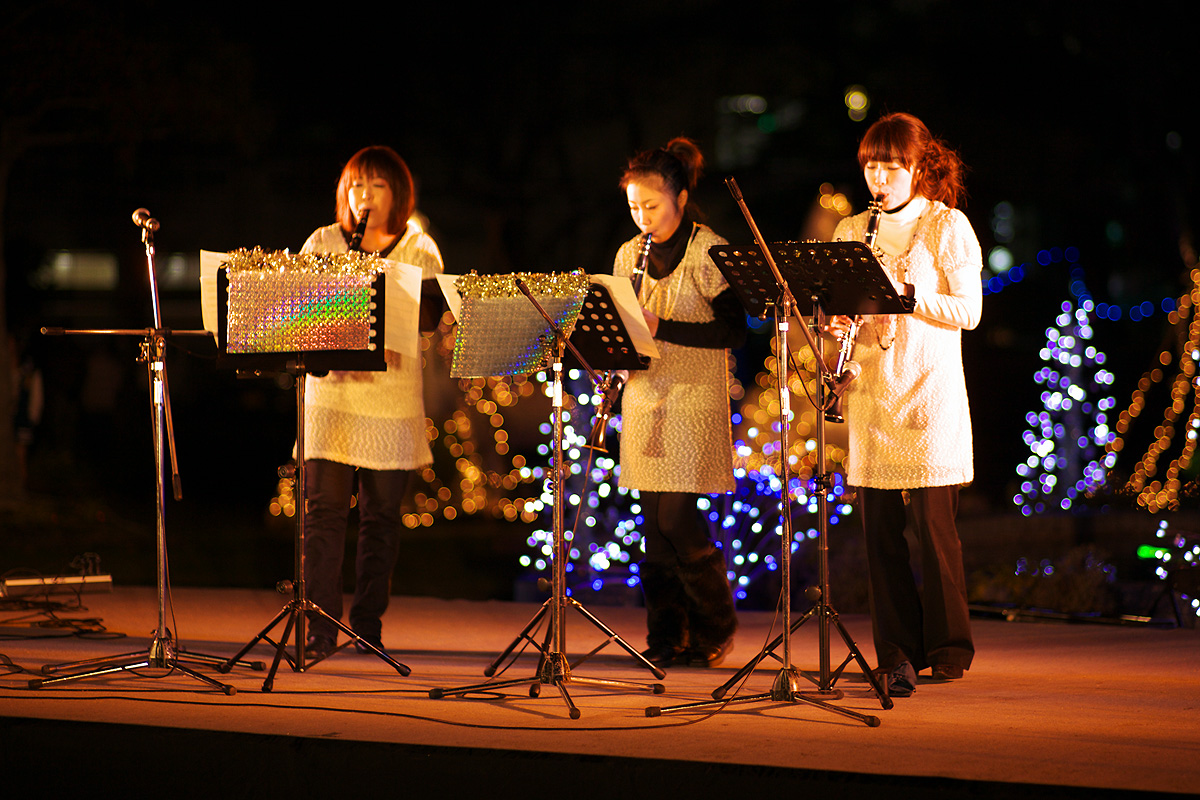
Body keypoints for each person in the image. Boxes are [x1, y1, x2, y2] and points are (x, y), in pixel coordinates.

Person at [829, 112, 982, 697]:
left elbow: (969, 310)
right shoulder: (850, 231)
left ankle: (948, 647)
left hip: (929, 393)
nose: (879, 178)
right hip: (872, 392)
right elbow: (845, 309)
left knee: (933, 530)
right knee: (879, 533)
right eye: (871, 165)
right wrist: (837, 323)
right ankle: (895, 650)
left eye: (891, 165)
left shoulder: (948, 226)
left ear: (919, 168)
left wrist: (907, 296)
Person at [300, 146, 444, 659]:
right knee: (323, 512)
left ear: (398, 193)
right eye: (356, 185)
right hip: (331, 394)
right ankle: (319, 626)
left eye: (376, 186)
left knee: (381, 517)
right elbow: (299, 316)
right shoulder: (323, 241)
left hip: (391, 397)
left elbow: (427, 322)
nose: (364, 196)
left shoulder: (420, 248)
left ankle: (366, 623)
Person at [613, 137, 744, 668]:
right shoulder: (628, 254)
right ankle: (667, 636)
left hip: (694, 398)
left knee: (676, 520)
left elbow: (734, 329)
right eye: (634, 207)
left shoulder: (710, 250)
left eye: (651, 205)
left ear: (681, 198)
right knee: (652, 528)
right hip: (646, 400)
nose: (642, 217)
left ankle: (715, 627)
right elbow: (621, 322)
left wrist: (662, 327)